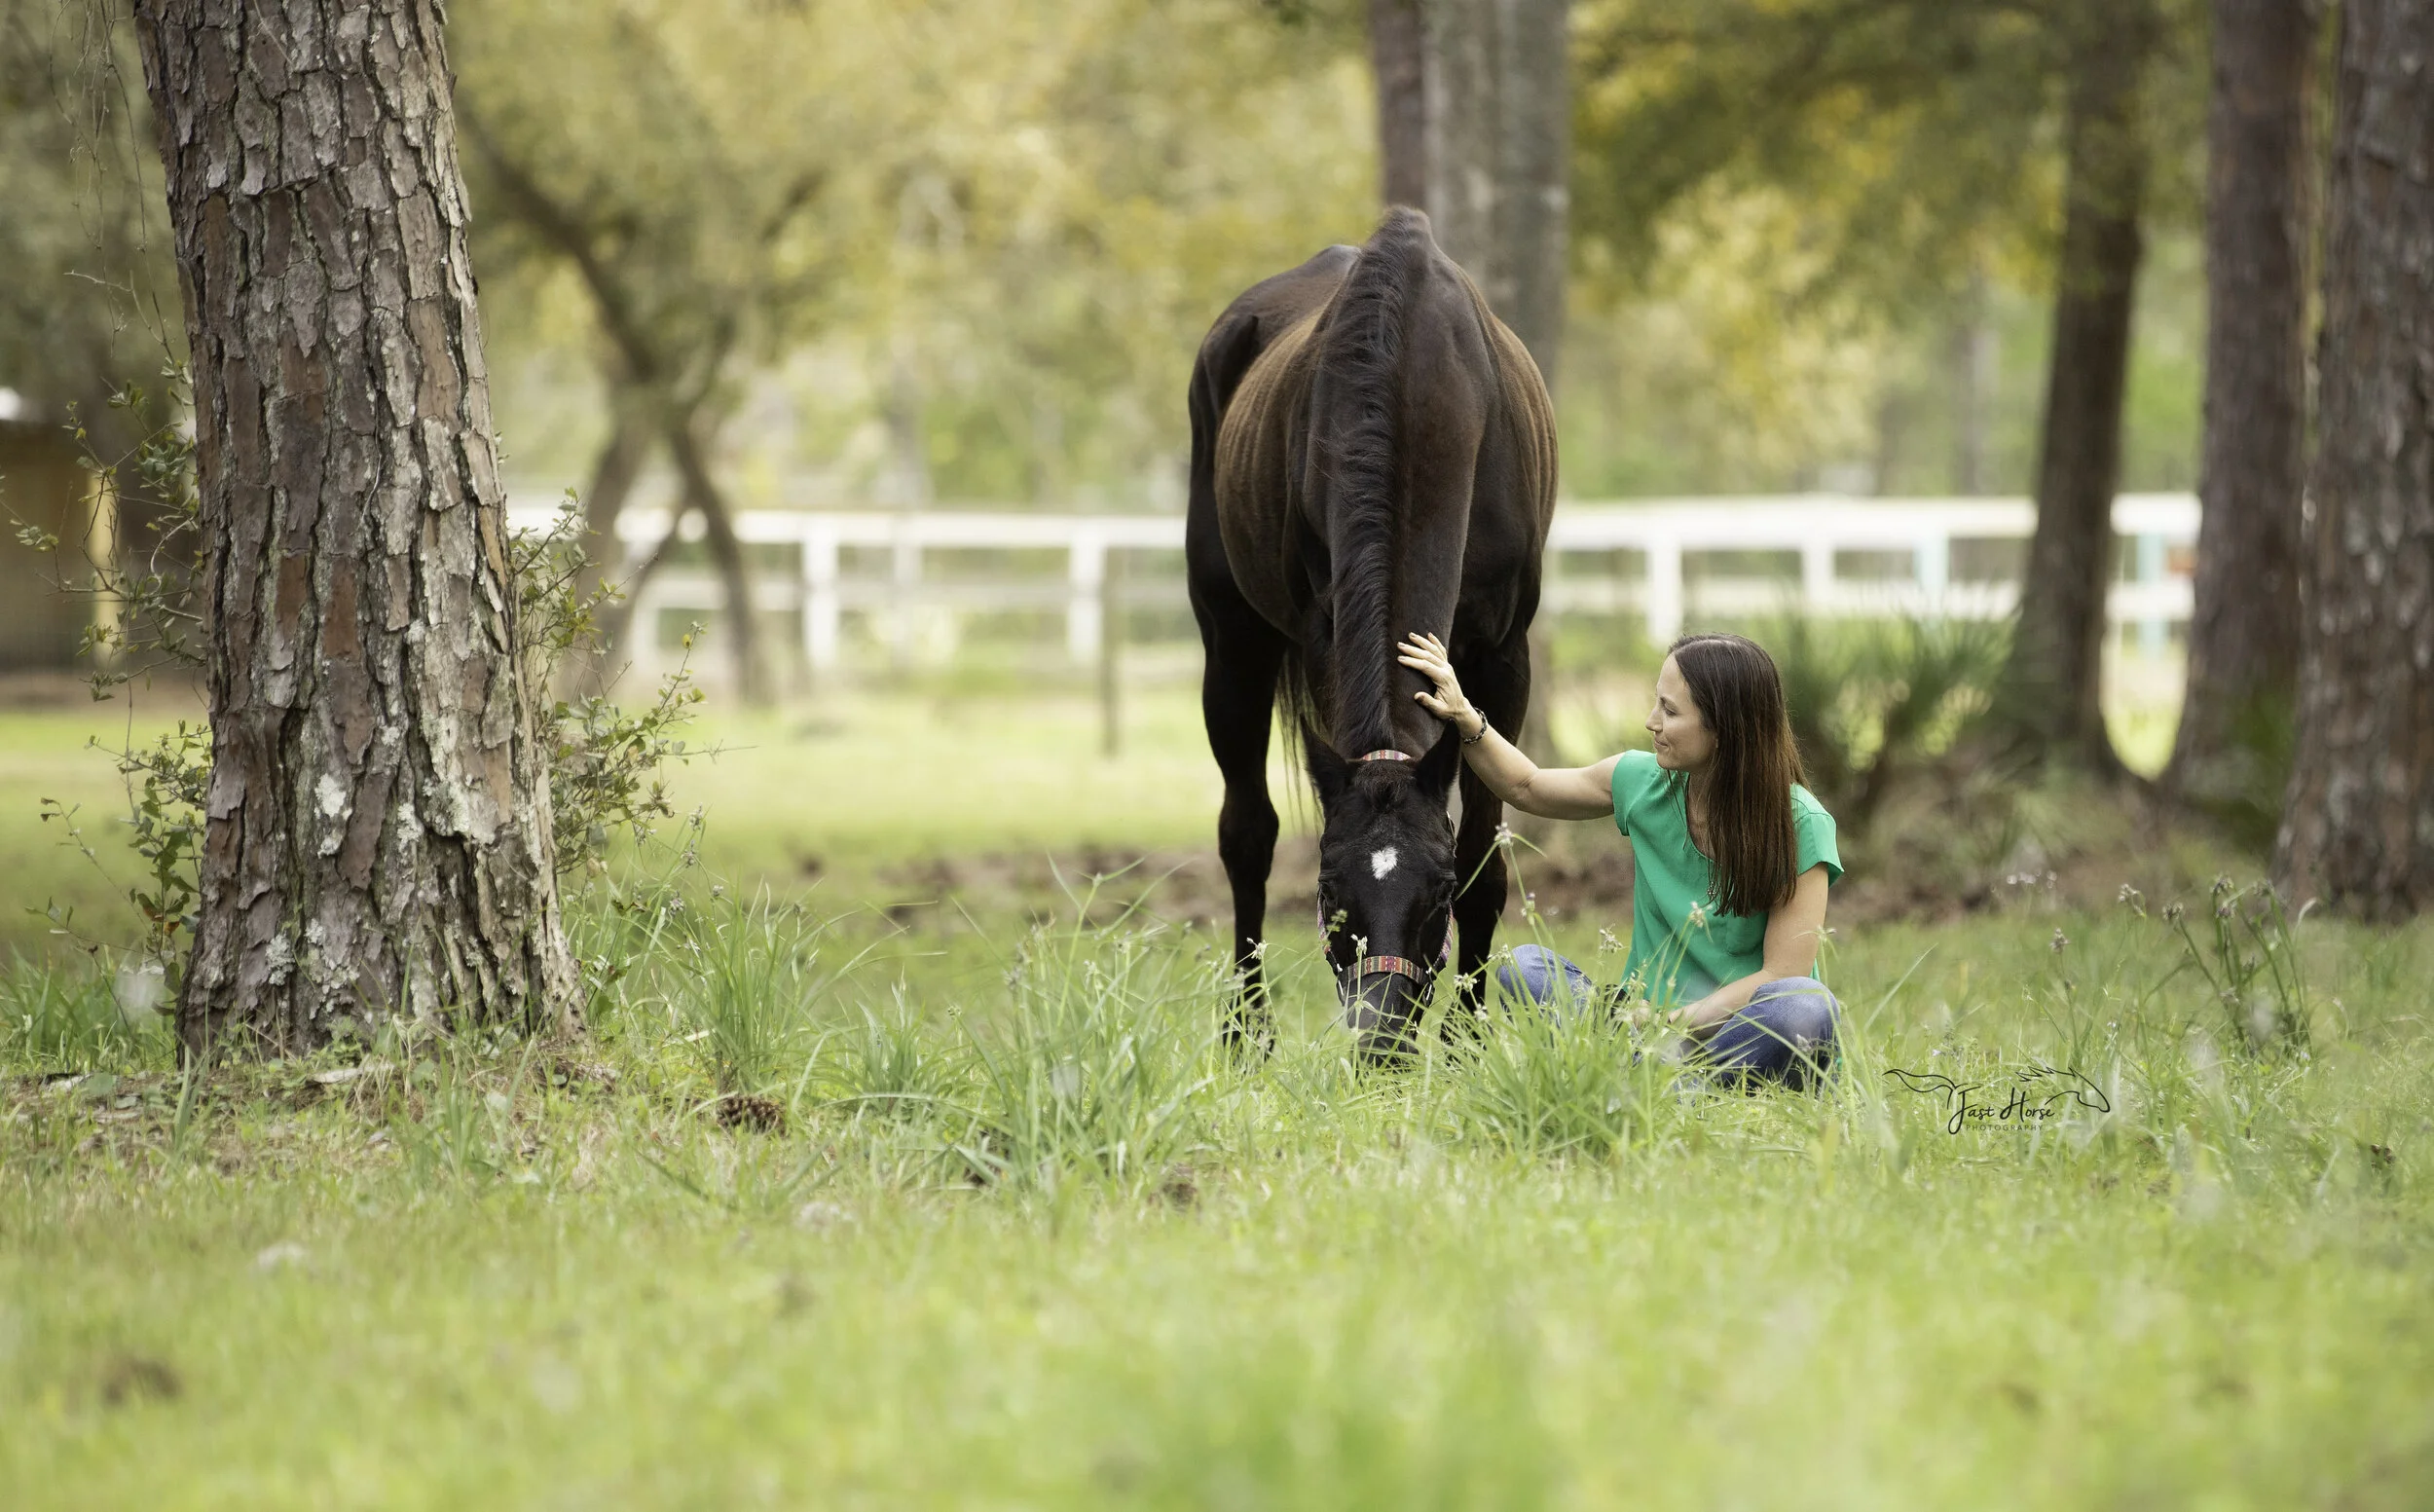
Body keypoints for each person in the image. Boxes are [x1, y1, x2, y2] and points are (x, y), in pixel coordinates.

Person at [1395, 629, 1843, 1088]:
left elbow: (1782, 972)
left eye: (1670, 711)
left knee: (1806, 1005)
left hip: (1735, 1035)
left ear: (1726, 727)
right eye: (1657, 702)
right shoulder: (1640, 781)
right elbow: (1525, 785)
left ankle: (1669, 1081)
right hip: (1635, 1030)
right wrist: (1465, 716)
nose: (1652, 721)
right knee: (1522, 969)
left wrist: (1671, 1023)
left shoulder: (1800, 824)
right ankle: (1660, 1078)